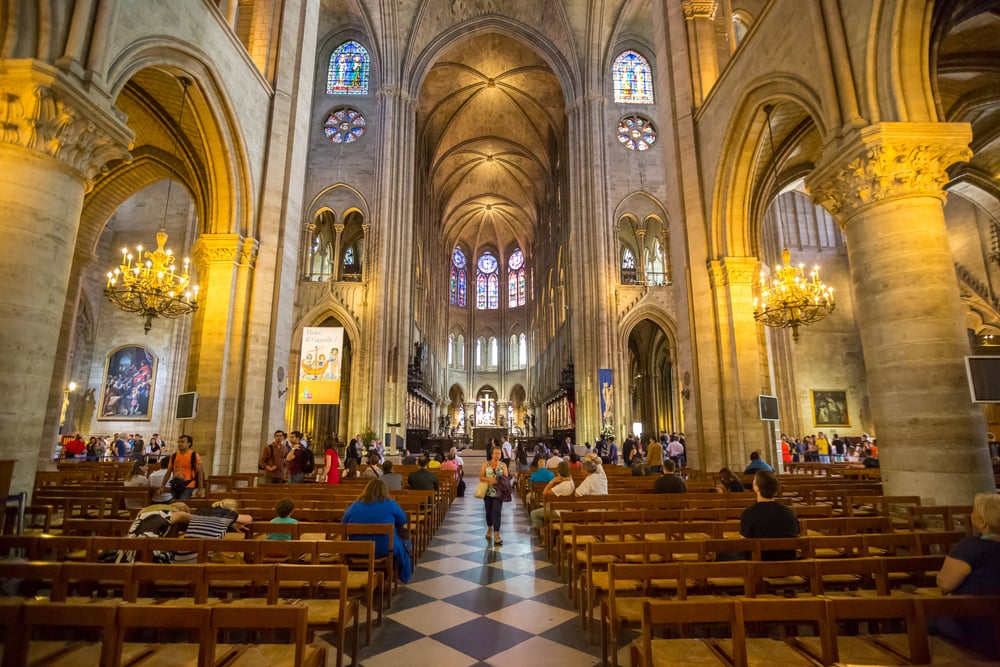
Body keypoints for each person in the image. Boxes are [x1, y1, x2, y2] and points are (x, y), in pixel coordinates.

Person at [932, 493, 1000, 658]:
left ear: (982, 521)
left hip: (979, 629)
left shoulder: (972, 547)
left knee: (928, 619)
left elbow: (946, 583)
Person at [342, 479, 413, 583]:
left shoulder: (355, 505)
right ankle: (398, 573)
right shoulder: (391, 504)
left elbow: (343, 522)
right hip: (383, 549)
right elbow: (402, 520)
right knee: (404, 539)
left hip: (358, 548)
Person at [739, 470, 799, 560]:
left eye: (754, 480)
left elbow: (744, 544)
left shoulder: (749, 513)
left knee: (723, 555)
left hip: (759, 564)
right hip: (787, 563)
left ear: (756, 487)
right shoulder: (788, 512)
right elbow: (796, 534)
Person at [174, 499, 252, 564]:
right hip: (199, 560)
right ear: (233, 508)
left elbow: (208, 523)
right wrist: (235, 522)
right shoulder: (229, 513)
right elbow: (248, 519)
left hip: (179, 557)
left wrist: (231, 524)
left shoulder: (201, 510)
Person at [529, 461, 575, 533]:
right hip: (568, 509)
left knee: (534, 514)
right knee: (546, 506)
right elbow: (567, 478)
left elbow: (545, 493)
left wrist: (552, 482)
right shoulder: (571, 480)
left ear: (559, 472)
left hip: (559, 512)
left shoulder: (562, 486)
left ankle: (543, 535)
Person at [480, 445, 510, 545]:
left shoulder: (503, 465)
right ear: (492, 454)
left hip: (499, 492)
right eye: (496, 453)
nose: (498, 455)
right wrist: (489, 480)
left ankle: (497, 535)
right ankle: (489, 529)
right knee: (488, 511)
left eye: (499, 453)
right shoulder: (485, 464)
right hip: (487, 491)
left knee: (497, 511)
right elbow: (481, 477)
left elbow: (506, 478)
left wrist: (497, 480)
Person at [158, 435, 204, 500]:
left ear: (189, 443)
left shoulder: (194, 455)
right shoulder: (174, 455)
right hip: (176, 484)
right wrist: (162, 486)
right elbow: (168, 472)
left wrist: (200, 488)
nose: (180, 443)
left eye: (182, 442)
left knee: (181, 503)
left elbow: (200, 472)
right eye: (179, 442)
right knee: (174, 504)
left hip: (188, 484)